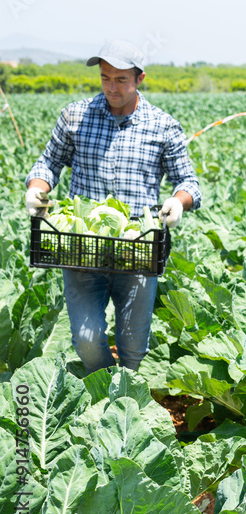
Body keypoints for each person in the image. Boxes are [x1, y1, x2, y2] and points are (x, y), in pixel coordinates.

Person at [24, 39, 201, 374]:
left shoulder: (163, 125)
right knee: (87, 340)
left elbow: (188, 182)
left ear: (140, 79)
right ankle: (105, 387)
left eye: (121, 80)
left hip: (137, 248)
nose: (111, 87)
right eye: (105, 78)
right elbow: (48, 164)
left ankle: (123, 397)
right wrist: (37, 187)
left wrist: (178, 202)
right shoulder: (76, 116)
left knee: (133, 347)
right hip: (81, 247)